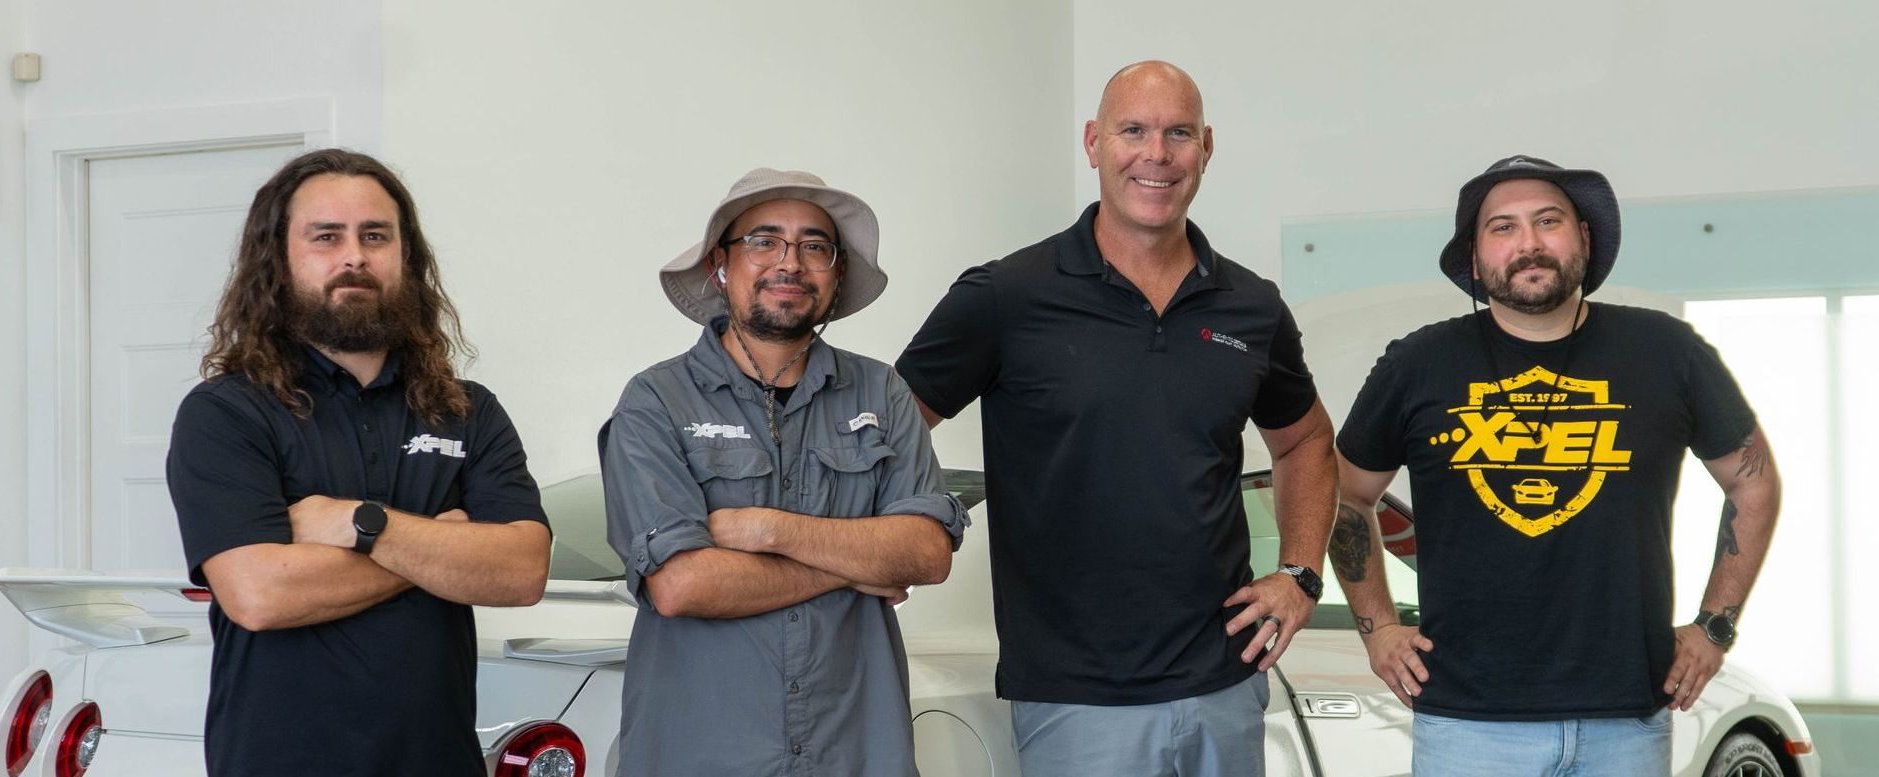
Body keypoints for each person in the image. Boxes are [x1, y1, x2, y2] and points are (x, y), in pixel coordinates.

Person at [897, 61, 1339, 777]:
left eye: (1179, 133)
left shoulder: (1251, 306)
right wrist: (906, 541)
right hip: (1076, 701)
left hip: (1226, 686)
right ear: (1093, 142)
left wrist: (1300, 572)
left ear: (1207, 147)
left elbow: (1307, 440)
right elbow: (894, 426)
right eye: (1133, 130)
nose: (1156, 155)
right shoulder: (1006, 296)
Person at [1330, 155, 1780, 776]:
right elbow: (1344, 495)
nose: (1529, 243)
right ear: (1475, 256)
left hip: (1625, 720)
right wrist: (1378, 628)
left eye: (1548, 221)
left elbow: (1753, 484)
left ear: (1584, 238)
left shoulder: (1666, 352)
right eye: (1503, 227)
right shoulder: (1419, 364)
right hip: (1467, 725)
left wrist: (1714, 627)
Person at [166, 148, 552, 776]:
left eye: (376, 236)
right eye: (326, 237)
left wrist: (363, 524)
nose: (354, 256)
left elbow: (520, 572)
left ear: (406, 257)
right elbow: (260, 594)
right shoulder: (227, 413)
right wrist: (443, 548)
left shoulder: (467, 410)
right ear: (278, 259)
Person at [600, 167, 968, 777]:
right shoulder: (655, 401)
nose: (789, 263)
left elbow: (926, 554)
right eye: (763, 240)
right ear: (721, 265)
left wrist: (769, 530)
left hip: (854, 754)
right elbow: (682, 586)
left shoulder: (883, 391)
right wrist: (853, 567)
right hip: (700, 757)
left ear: (836, 272)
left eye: (814, 246)